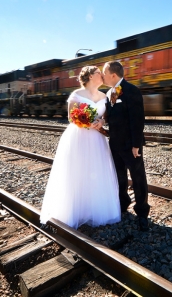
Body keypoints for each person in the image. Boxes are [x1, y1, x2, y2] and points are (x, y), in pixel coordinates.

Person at [39, 66, 121, 229]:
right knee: (78, 170)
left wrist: (101, 122)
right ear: (91, 76)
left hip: (97, 138)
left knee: (97, 171)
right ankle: (76, 210)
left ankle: (94, 209)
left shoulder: (105, 96)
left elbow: (104, 117)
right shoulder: (75, 95)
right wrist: (85, 122)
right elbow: (71, 118)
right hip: (79, 137)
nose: (102, 75)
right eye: (99, 73)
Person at [102, 61, 150, 231]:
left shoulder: (132, 91)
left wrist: (136, 144)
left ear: (113, 75)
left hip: (131, 146)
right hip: (115, 144)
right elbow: (111, 117)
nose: (102, 76)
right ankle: (123, 205)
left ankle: (142, 212)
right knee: (119, 177)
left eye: (104, 73)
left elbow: (137, 120)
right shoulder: (109, 93)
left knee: (138, 178)